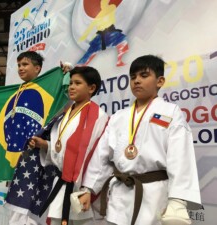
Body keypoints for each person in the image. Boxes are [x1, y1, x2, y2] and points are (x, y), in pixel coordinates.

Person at [78, 55, 202, 225]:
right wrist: (88, 189)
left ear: (160, 81)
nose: (136, 81)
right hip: (119, 195)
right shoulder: (118, 117)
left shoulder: (171, 112)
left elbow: (180, 158)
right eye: (133, 77)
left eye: (144, 76)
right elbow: (102, 156)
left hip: (154, 195)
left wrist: (178, 201)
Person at [29, 66, 109, 225]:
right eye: (71, 82)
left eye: (77, 83)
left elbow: (95, 155)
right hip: (61, 180)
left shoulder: (98, 116)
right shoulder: (64, 114)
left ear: (91, 88)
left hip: (82, 185)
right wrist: (45, 145)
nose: (71, 86)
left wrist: (87, 189)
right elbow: (63, 149)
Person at [3, 51, 73, 225]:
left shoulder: (47, 89)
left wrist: (66, 74)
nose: (20, 68)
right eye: (18, 65)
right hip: (17, 157)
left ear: (37, 68)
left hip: (39, 157)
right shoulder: (16, 92)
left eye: (25, 64)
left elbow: (67, 97)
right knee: (15, 209)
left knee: (29, 208)